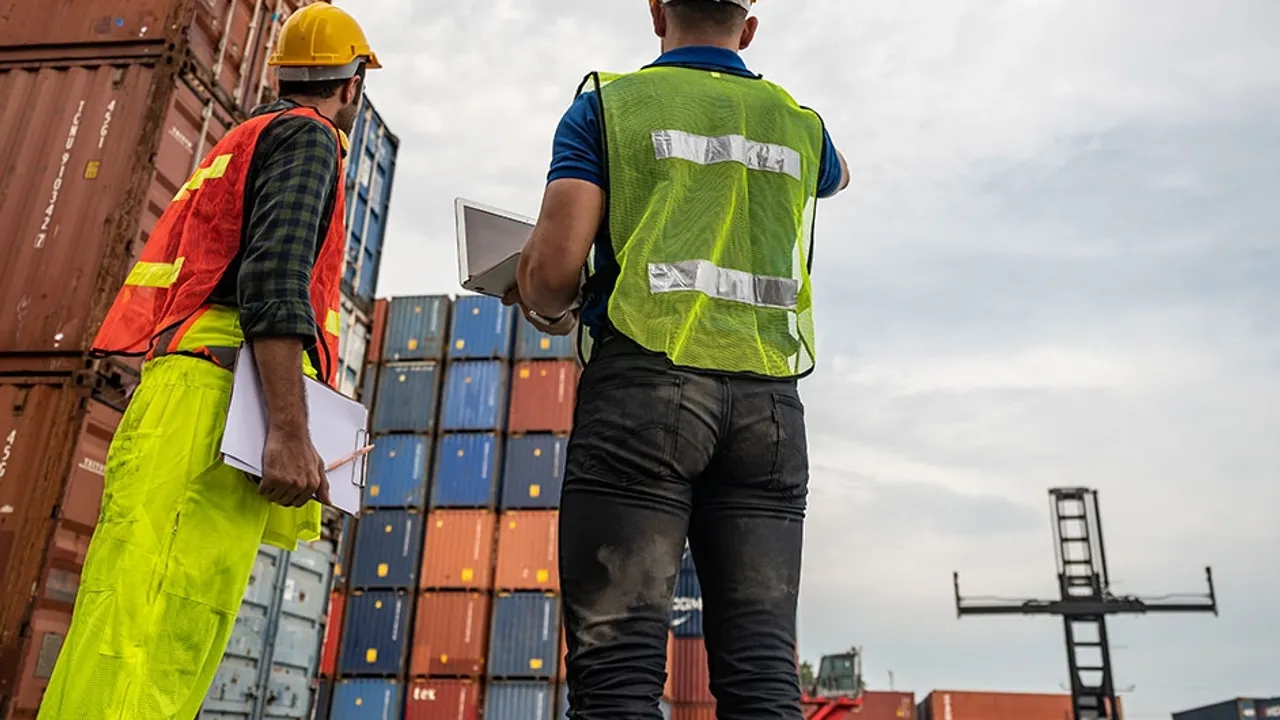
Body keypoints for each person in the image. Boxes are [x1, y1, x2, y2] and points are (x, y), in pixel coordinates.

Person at [504, 0, 849, 717]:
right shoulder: (801, 125)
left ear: (657, 12)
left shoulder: (608, 108)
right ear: (748, 27)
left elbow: (554, 275)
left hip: (645, 397)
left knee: (618, 678)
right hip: (769, 410)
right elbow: (838, 175)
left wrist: (535, 289)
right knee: (763, 675)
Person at [36, 5, 380, 717]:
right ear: (352, 84)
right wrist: (289, 431)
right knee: (165, 623)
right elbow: (275, 279)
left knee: (126, 613)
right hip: (218, 402)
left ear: (282, 74)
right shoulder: (310, 138)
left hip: (185, 387)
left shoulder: (243, 139)